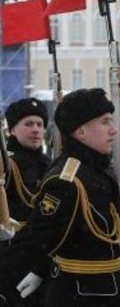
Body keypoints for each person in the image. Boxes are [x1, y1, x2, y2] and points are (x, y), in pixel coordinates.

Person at [0, 88, 120, 307]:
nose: (114, 130)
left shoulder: (98, 171)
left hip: (107, 289)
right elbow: (37, 239)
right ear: (81, 132)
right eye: (105, 122)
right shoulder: (67, 180)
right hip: (80, 294)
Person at [2, 98, 50, 240]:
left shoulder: (51, 164)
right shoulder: (5, 165)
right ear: (13, 130)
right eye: (28, 124)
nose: (35, 129)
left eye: (40, 125)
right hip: (12, 243)